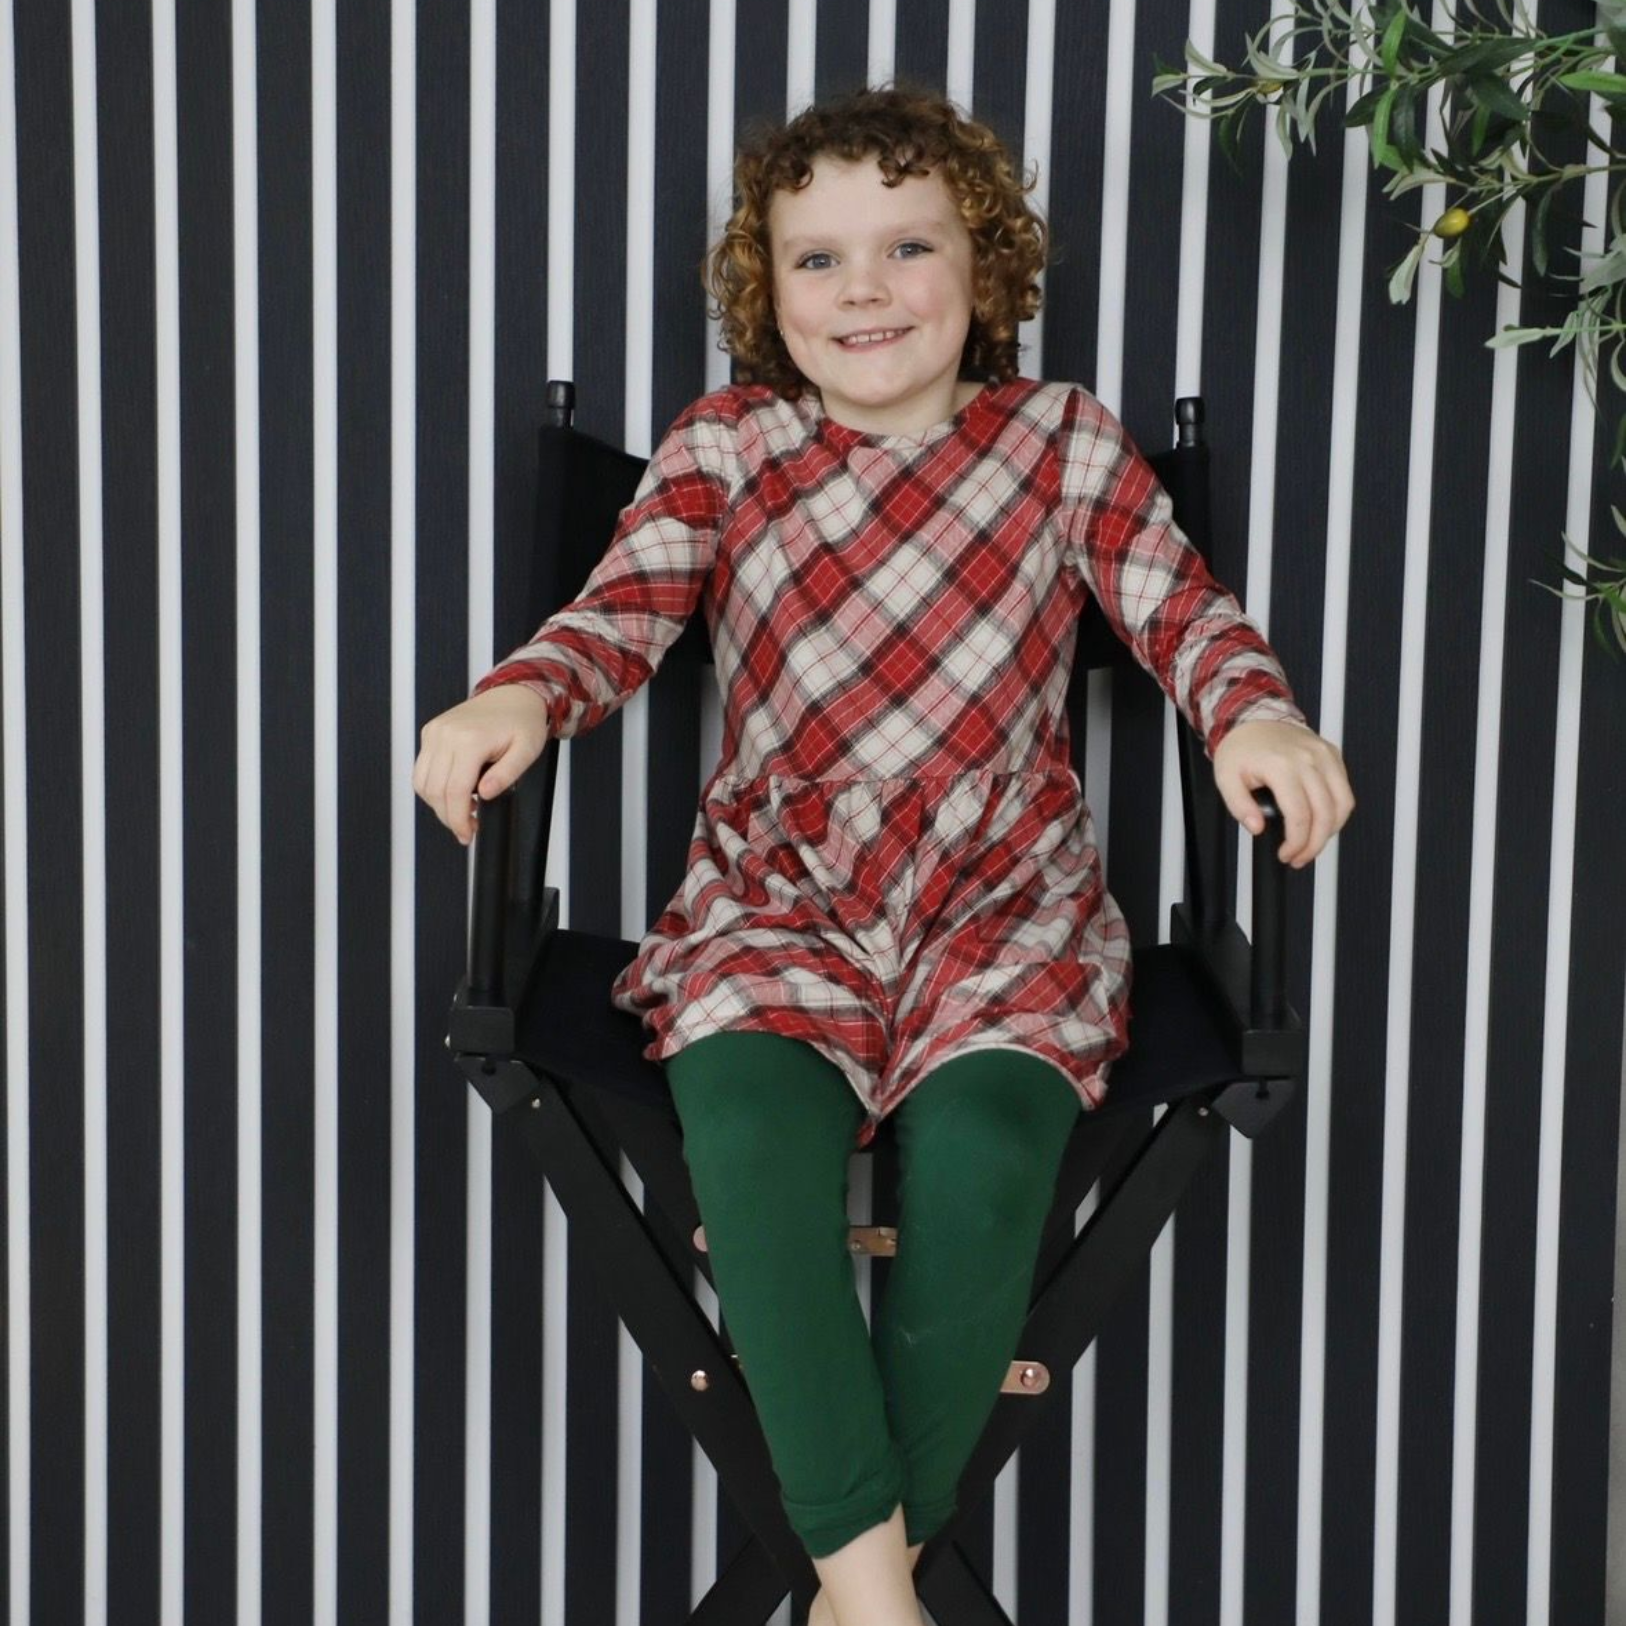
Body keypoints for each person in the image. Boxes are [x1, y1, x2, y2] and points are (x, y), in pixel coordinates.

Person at [414, 85, 1353, 1626]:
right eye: (818, 259)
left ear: (985, 268)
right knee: (746, 1130)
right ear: (764, 289)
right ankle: (885, 1600)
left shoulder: (1059, 439)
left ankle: (855, 1597)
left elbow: (1178, 607)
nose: (865, 291)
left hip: (1007, 901)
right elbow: (623, 607)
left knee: (986, 1157)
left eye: (908, 247)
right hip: (774, 896)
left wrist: (1252, 714)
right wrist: (524, 688)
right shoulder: (729, 443)